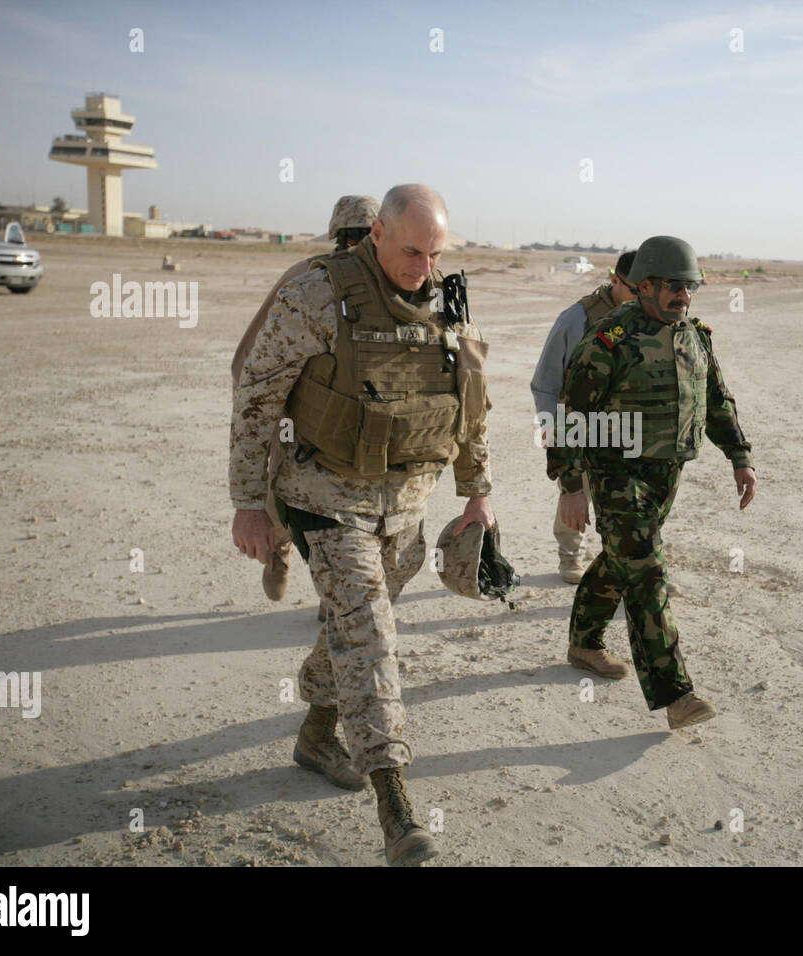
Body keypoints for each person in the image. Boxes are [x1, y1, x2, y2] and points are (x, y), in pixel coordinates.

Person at [230, 184, 494, 866]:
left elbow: (469, 406)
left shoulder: (446, 299)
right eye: (411, 251)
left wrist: (477, 495)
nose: (422, 268)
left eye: (435, 254)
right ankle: (396, 805)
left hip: (403, 508)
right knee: (371, 636)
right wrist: (249, 504)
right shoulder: (317, 292)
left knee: (348, 630)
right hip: (325, 497)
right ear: (376, 231)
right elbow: (256, 393)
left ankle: (317, 734)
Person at [547, 235, 756, 729]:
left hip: (667, 471)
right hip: (616, 471)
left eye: (689, 287)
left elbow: (717, 401)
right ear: (643, 286)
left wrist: (739, 457)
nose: (683, 296)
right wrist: (571, 485)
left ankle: (583, 642)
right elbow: (571, 414)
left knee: (624, 560)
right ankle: (676, 695)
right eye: (672, 286)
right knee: (647, 570)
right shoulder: (608, 339)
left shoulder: (696, 335)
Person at [231, 195, 380, 616]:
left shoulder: (388, 281)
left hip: (355, 424)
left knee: (347, 514)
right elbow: (249, 357)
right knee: (287, 499)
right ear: (338, 238)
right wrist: (264, 408)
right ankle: (280, 552)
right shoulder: (307, 278)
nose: (358, 244)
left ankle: (336, 596)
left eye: (366, 236)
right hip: (296, 419)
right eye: (353, 237)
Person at [530, 250, 636, 584]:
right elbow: (545, 382)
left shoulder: (650, 315)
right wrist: (552, 430)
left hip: (628, 427)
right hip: (580, 425)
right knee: (576, 492)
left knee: (628, 501)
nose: (642, 296)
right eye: (634, 289)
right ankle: (570, 556)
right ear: (614, 279)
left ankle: (628, 562)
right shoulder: (576, 319)